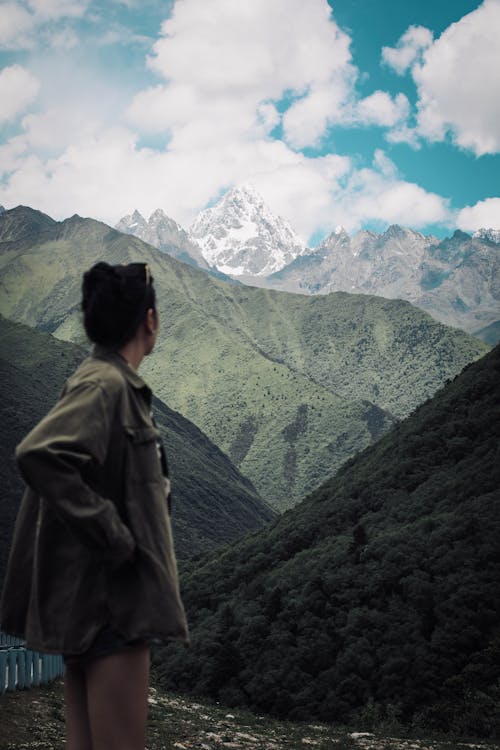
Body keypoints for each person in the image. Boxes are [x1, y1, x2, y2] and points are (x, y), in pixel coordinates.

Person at [0, 261, 189, 750]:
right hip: (114, 605)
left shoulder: (107, 381)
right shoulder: (106, 385)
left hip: (93, 603)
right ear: (150, 320)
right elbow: (41, 453)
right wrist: (116, 536)